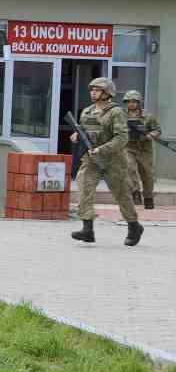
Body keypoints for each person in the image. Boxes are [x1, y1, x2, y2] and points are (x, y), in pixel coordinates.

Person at [69, 76, 142, 246]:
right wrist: (76, 136)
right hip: (91, 159)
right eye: (92, 90)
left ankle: (134, 226)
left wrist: (102, 149)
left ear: (107, 93)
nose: (93, 93)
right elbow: (83, 131)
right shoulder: (87, 111)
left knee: (121, 194)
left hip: (113, 159)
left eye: (97, 90)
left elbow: (122, 138)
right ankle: (87, 229)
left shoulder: (116, 112)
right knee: (85, 189)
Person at [123, 89, 161, 211]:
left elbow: (157, 130)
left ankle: (148, 197)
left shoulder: (148, 116)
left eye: (134, 101)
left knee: (147, 174)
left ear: (139, 102)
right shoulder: (121, 116)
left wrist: (151, 135)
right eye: (129, 101)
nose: (131, 104)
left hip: (145, 149)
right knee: (129, 168)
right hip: (128, 147)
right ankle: (135, 192)